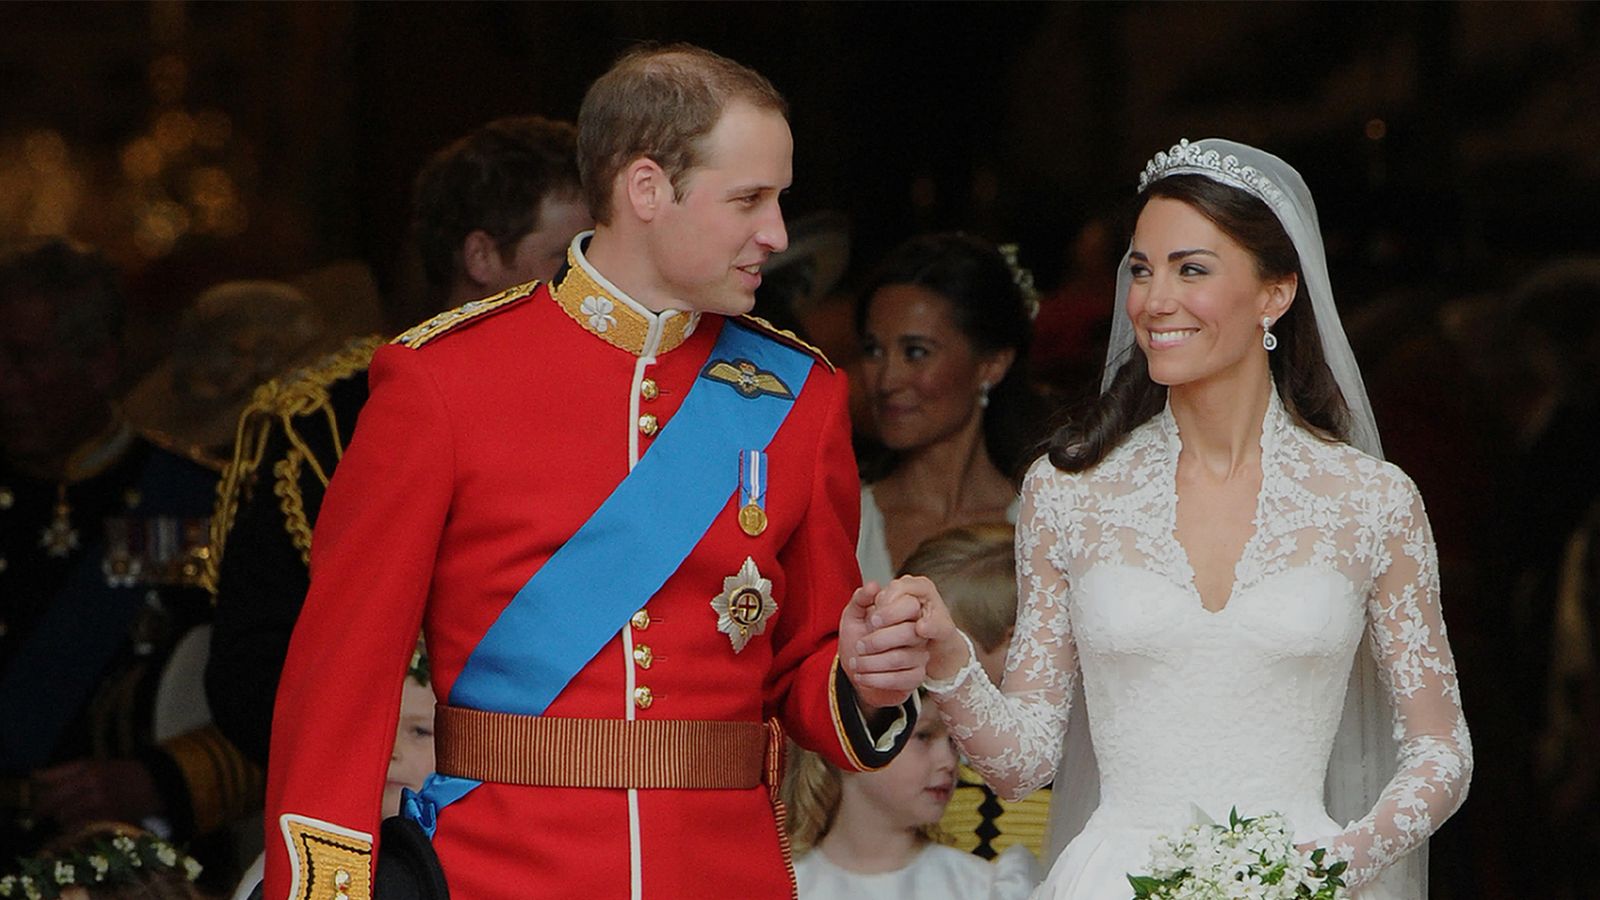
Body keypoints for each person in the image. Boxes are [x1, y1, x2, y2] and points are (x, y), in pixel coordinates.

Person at [261, 44, 927, 900]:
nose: (777, 235)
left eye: (778, 200)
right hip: (497, 875)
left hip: (724, 874)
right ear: (646, 191)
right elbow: (340, 684)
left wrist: (869, 675)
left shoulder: (802, 397)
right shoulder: (441, 381)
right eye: (749, 200)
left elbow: (808, 669)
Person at [880, 139, 1472, 899]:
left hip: (1306, 882)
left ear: (1275, 293)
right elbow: (1021, 763)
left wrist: (1334, 864)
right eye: (1140, 269)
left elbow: (1440, 750)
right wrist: (949, 659)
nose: (1154, 300)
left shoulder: (1372, 499)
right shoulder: (1070, 493)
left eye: (1191, 269)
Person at [204, 115, 591, 768]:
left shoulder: (627, 406)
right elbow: (252, 677)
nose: (598, 282)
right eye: (570, 257)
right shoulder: (325, 427)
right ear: (481, 257)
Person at [0, 239, 254, 877]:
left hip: (141, 873)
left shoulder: (204, 503)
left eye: (25, 361)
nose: (5, 383)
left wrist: (161, 782)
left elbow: (292, 700)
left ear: (102, 364)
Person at [854, 232, 1041, 587]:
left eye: (916, 352)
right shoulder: (846, 521)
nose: (886, 380)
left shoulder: (1042, 521)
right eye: (873, 351)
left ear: (992, 364)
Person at [898, 523, 1052, 862]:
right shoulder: (913, 740)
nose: (926, 662)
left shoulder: (1058, 757)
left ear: (1016, 644)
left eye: (943, 646)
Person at [784, 696, 1037, 900]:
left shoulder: (979, 887)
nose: (948, 762)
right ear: (852, 742)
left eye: (953, 743)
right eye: (923, 736)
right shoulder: (787, 884)